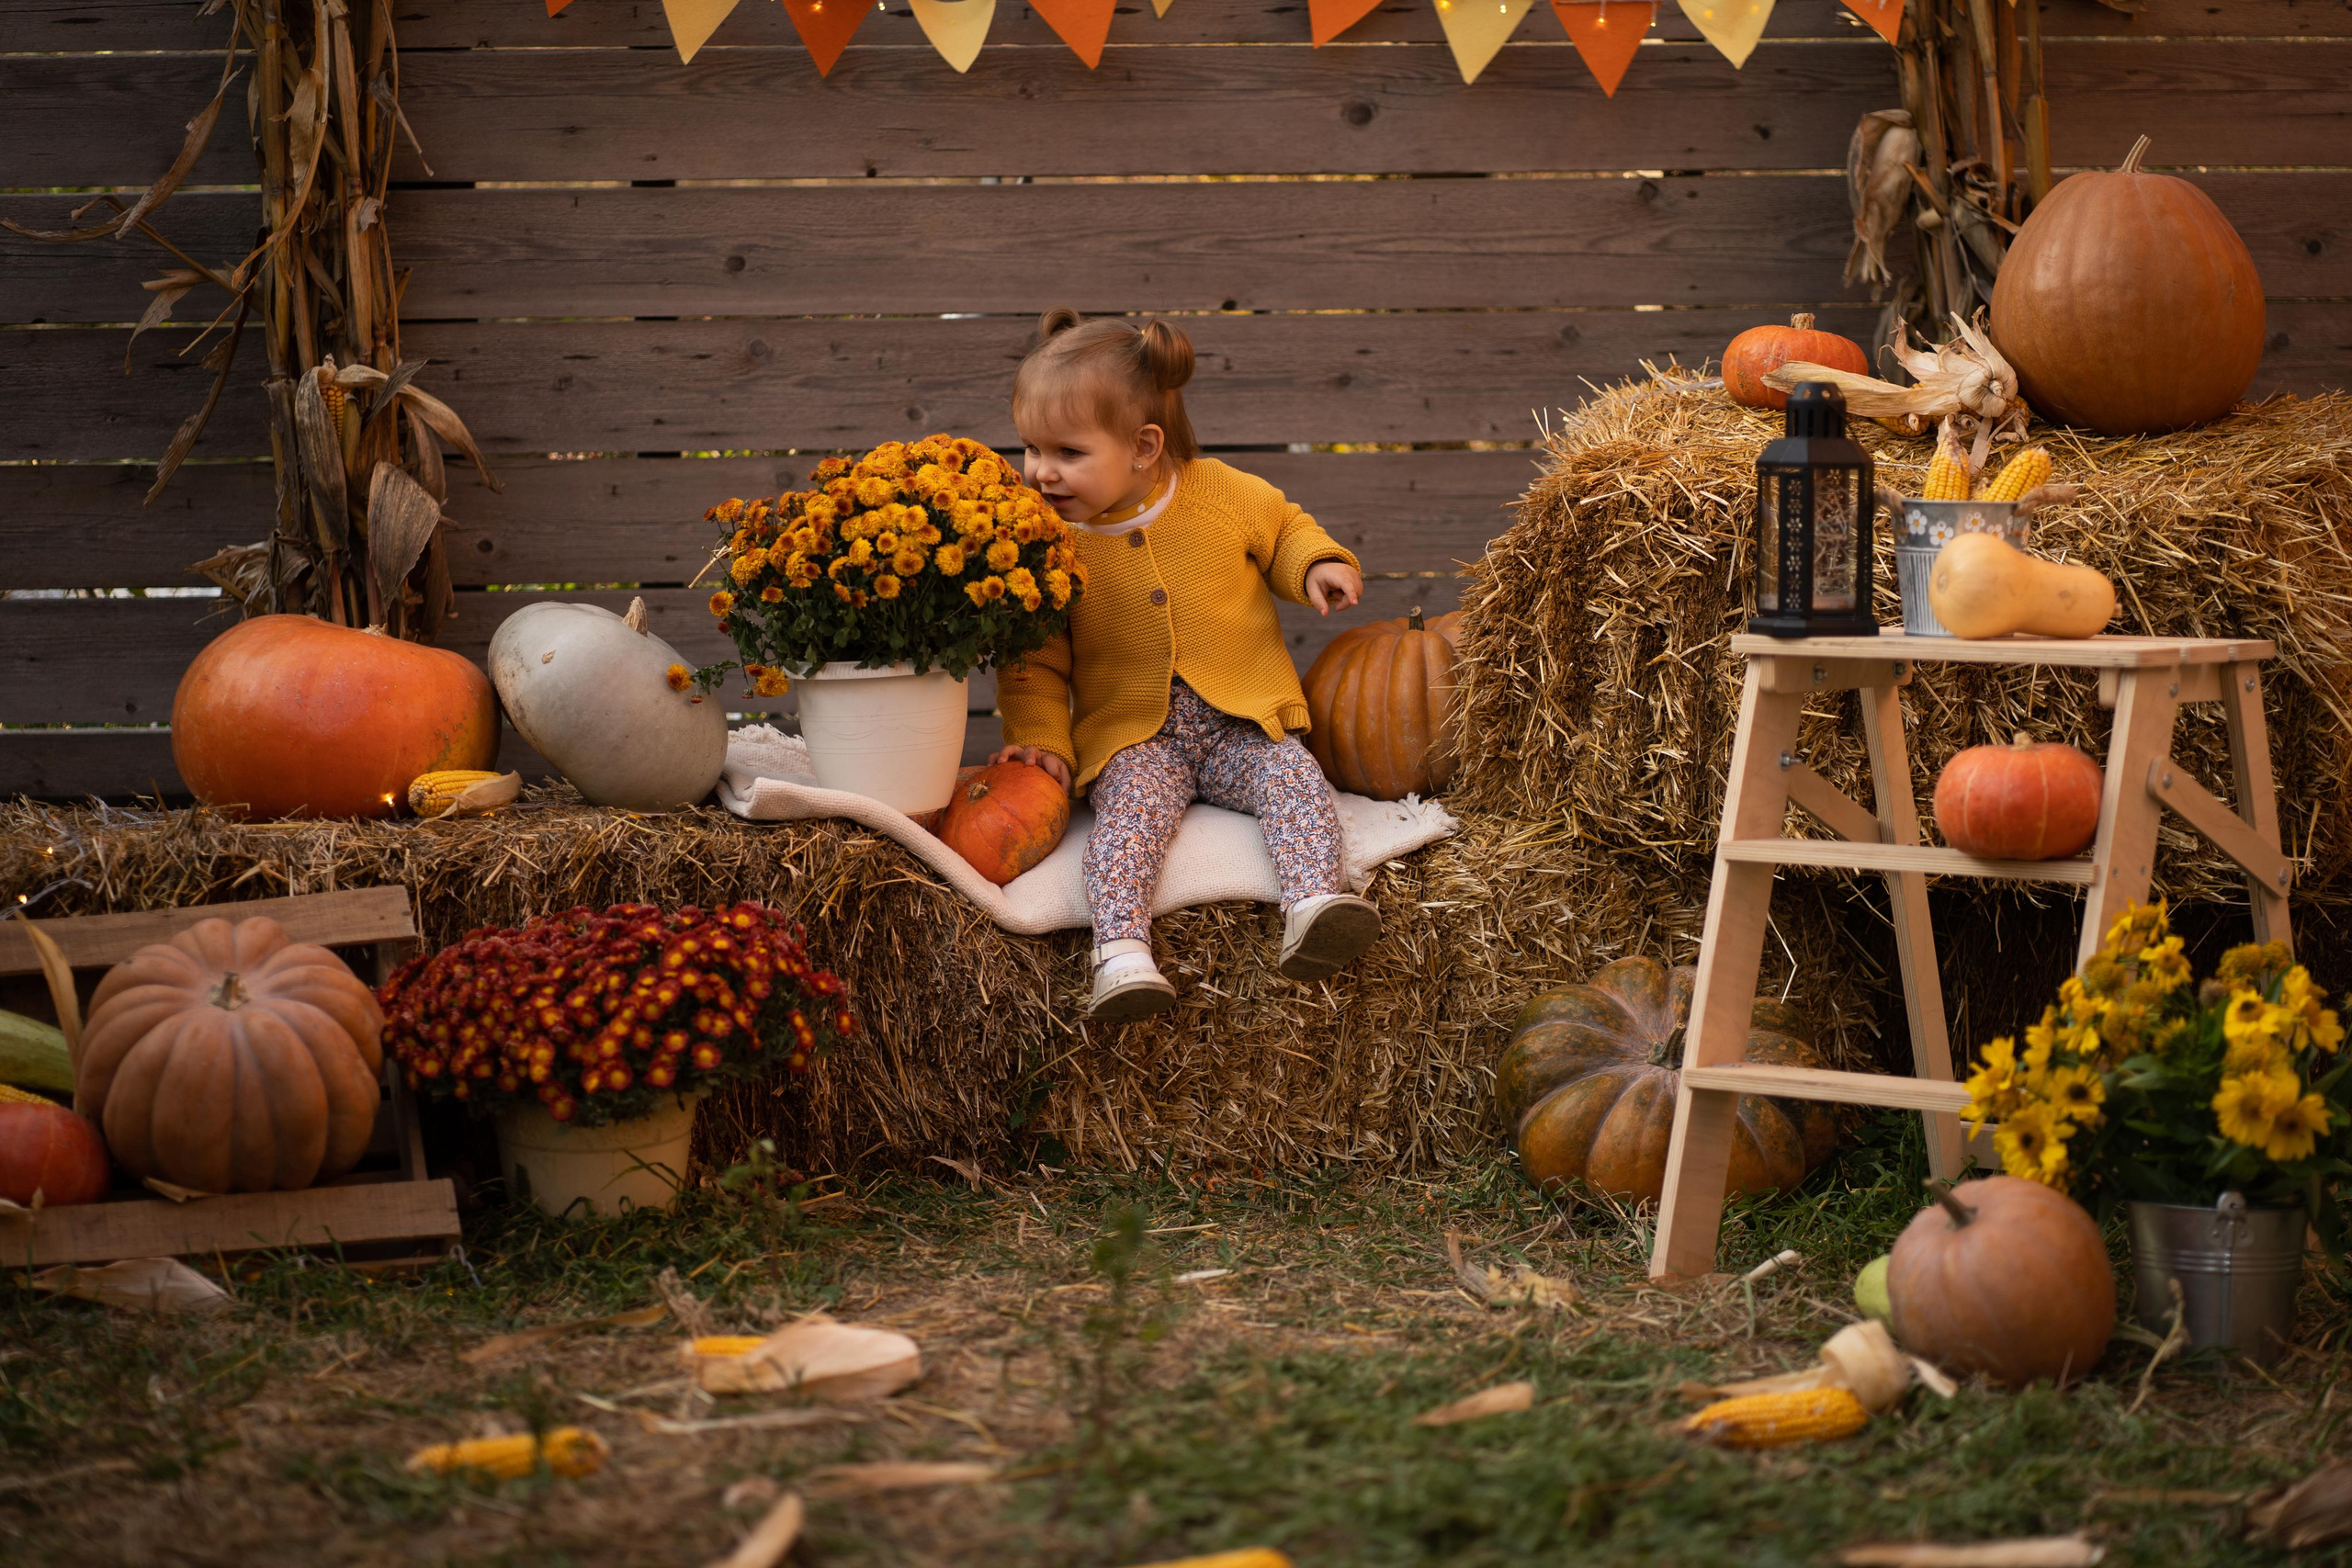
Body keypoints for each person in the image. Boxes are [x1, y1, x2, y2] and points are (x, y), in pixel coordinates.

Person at [990, 309, 1381, 1022]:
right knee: (1127, 825)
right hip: (1137, 739)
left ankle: (1315, 903)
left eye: (1068, 452)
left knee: (1293, 776)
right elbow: (1033, 662)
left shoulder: (1221, 493)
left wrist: (1315, 563)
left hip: (1240, 722)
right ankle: (1121, 954)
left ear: (1144, 446)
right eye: (1031, 447)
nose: (1041, 470)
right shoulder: (1049, 545)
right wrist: (1042, 738)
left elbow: (1284, 528)